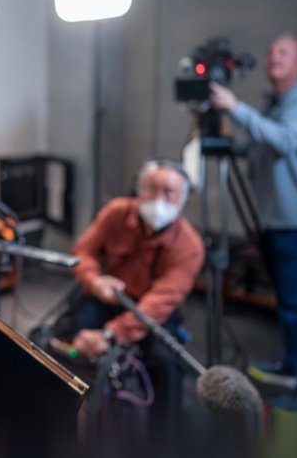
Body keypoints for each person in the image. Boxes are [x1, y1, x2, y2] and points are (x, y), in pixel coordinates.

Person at [58, 159, 205, 432]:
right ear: (138, 189)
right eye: (151, 189)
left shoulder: (190, 245)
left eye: (169, 193)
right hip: (108, 296)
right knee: (65, 332)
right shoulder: (116, 212)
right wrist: (94, 281)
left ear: (183, 200)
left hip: (151, 312)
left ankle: (165, 440)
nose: (158, 200)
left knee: (167, 364)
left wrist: (110, 334)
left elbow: (161, 300)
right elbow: (83, 251)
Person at [210, 32, 297, 391]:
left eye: (283, 52)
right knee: (287, 299)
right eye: (269, 52)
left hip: (292, 222)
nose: (273, 58)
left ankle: (294, 372)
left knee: (293, 301)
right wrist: (228, 140)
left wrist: (236, 107)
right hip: (275, 219)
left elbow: (285, 140)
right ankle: (292, 360)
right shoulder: (274, 104)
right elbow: (262, 146)